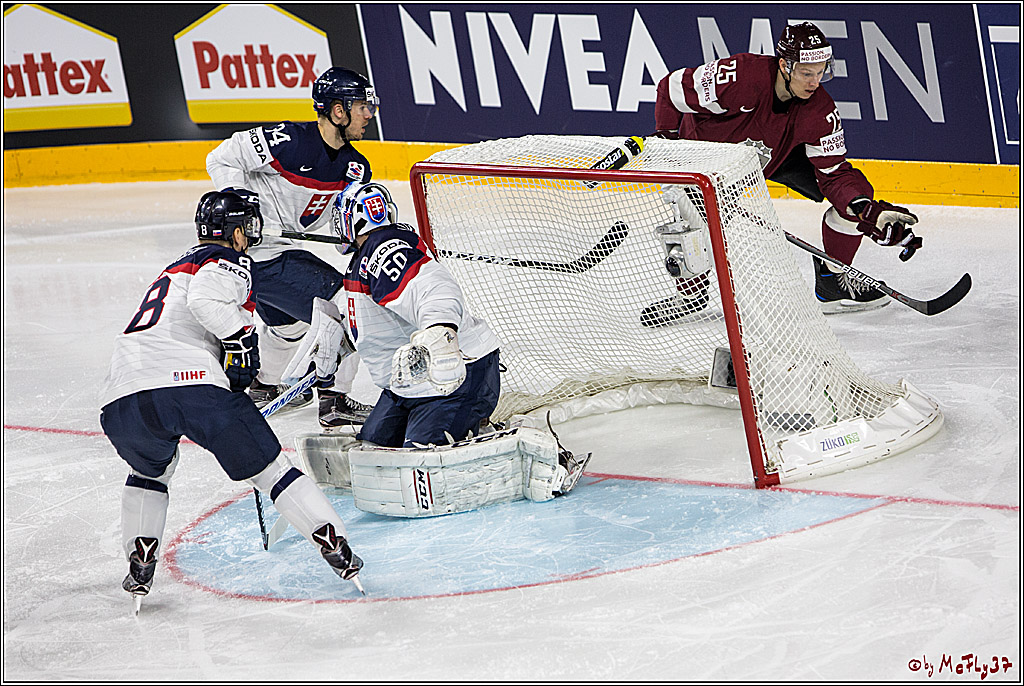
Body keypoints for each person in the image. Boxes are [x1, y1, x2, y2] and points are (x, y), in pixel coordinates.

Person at [98, 191, 364, 612]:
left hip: (120, 399)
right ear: (235, 232)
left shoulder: (171, 271)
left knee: (150, 472)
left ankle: (140, 559)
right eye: (247, 228)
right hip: (190, 384)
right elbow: (205, 302)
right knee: (272, 472)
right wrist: (241, 341)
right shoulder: (226, 260)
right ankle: (334, 543)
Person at [654, 21, 922, 313]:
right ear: (785, 65)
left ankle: (832, 281)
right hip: (704, 160)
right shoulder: (741, 77)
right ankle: (690, 298)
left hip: (771, 158)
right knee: (697, 227)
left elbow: (835, 174)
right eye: (807, 73)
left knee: (853, 204)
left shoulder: (820, 111)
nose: (814, 82)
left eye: (820, 73)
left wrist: (866, 211)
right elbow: (669, 90)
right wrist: (669, 149)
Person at [206, 66, 378, 429]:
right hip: (255, 255)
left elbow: (333, 220)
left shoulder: (356, 167)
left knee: (288, 327)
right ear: (337, 111)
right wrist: (243, 203)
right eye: (361, 106)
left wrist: (357, 234)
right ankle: (335, 400)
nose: (368, 115)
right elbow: (221, 158)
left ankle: (265, 386)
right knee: (348, 306)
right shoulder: (286, 139)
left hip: (279, 252)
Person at [327, 181, 502, 448]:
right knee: (373, 449)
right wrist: (344, 343)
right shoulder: (368, 254)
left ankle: (485, 434)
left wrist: (440, 334)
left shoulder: (383, 248)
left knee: (418, 460)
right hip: (410, 383)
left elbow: (434, 289)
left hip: (453, 377)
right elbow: (386, 314)